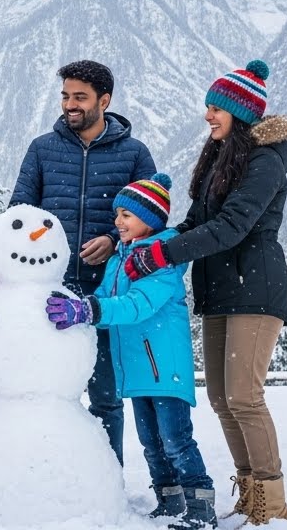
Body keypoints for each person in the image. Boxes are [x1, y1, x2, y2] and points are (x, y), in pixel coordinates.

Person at [125, 60, 287, 525]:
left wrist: (161, 257)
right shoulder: (224, 158)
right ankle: (249, 492)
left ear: (239, 113)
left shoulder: (265, 159)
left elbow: (233, 225)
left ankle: (272, 502)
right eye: (207, 107)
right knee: (222, 398)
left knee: (244, 395)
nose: (207, 115)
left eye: (216, 107)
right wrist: (148, 243)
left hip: (254, 287)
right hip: (220, 289)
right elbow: (198, 224)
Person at [46, 173, 217, 529]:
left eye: (125, 214)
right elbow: (107, 300)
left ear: (150, 219)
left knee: (175, 440)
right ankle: (169, 501)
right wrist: (78, 306)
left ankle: (201, 507)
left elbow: (137, 305)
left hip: (164, 368)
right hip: (138, 371)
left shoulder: (161, 261)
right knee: (151, 442)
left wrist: (91, 311)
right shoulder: (119, 258)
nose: (117, 222)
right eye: (117, 214)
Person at [10, 59, 157, 462]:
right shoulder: (42, 150)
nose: (69, 105)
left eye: (80, 97)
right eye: (65, 96)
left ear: (103, 100)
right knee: (44, 392)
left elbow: (151, 220)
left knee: (106, 396)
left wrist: (112, 239)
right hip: (49, 292)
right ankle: (44, 476)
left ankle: (107, 480)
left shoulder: (134, 154)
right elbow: (18, 215)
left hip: (106, 294)